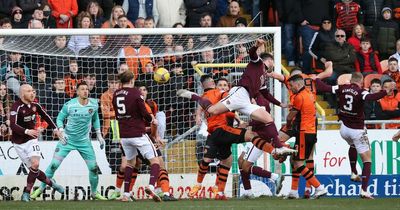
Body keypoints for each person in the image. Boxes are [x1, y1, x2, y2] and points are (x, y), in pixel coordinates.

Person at [177, 39, 296, 155]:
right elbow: (252, 53)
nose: (274, 65)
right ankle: (194, 96)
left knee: (268, 119)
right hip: (239, 94)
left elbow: (265, 94)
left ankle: (279, 147)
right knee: (212, 110)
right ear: (269, 61)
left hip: (246, 101)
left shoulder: (263, 76)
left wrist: (281, 104)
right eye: (273, 62)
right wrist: (256, 45)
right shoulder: (258, 63)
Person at [315, 72, 395, 199]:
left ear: (351, 80)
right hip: (357, 130)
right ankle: (364, 190)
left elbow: (324, 88)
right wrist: (386, 91)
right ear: (361, 81)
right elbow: (371, 97)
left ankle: (353, 172)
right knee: (367, 160)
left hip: (344, 129)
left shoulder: (341, 87)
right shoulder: (361, 91)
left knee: (352, 145)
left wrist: (317, 79)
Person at [30, 82, 107, 200]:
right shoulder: (70, 105)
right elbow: (59, 119)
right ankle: (39, 189)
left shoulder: (94, 104)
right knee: (53, 165)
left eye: (87, 89)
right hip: (67, 140)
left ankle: (94, 193)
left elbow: (95, 118)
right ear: (77, 92)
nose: (85, 91)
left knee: (93, 168)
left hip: (84, 142)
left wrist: (99, 135)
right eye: (82, 89)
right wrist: (62, 131)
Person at [112, 71, 161, 202]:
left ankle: (126, 195)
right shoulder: (135, 93)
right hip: (138, 133)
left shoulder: (115, 94)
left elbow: (117, 114)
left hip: (124, 135)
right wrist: (152, 120)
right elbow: (144, 113)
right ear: (132, 80)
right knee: (156, 161)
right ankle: (151, 186)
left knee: (130, 163)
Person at [9, 84, 64, 201]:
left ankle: (26, 193)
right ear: (22, 94)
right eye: (29, 91)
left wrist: (56, 129)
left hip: (32, 139)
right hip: (18, 143)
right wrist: (27, 131)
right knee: (35, 171)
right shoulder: (16, 107)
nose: (33, 93)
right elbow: (13, 125)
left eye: (33, 91)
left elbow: (46, 116)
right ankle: (52, 184)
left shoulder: (35, 105)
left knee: (35, 164)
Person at [284, 74, 327, 199]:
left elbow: (289, 117)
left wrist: (288, 125)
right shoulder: (309, 94)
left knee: (298, 163)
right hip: (311, 132)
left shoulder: (299, 97)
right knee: (296, 160)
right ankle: (294, 191)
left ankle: (319, 187)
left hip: (304, 132)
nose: (291, 88)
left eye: (291, 86)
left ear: (298, 84)